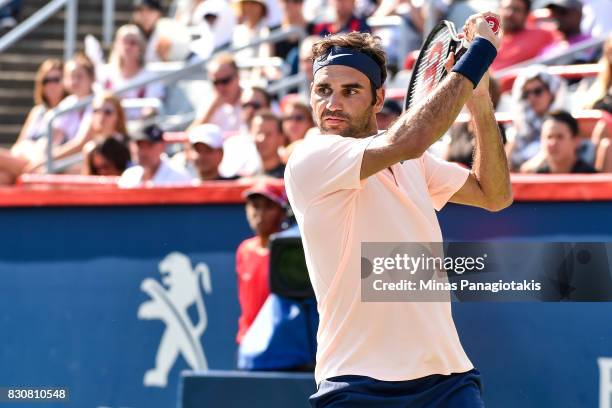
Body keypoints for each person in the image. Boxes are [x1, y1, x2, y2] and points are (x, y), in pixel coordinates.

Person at [285, 17, 511, 406]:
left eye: (350, 90)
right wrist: (479, 55)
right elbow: (409, 140)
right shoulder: (311, 157)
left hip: (447, 380)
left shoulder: (412, 159)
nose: (332, 104)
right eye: (322, 90)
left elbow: (494, 195)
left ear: (377, 98)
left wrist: (479, 103)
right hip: (356, 383)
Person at [235, 178, 287, 343]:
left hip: (281, 344)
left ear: (283, 212)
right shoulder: (244, 250)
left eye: (269, 207)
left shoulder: (290, 251)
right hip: (248, 342)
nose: (260, 214)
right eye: (255, 206)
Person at [0, 59, 66, 184]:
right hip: (25, 159)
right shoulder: (37, 112)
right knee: (3, 176)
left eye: (56, 80)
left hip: (42, 162)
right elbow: (18, 144)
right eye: (46, 81)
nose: (51, 85)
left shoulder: (68, 110)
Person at [505, 65, 570, 170]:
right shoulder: (521, 124)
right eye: (526, 93)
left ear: (552, 92)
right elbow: (505, 166)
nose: (532, 98)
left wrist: (527, 170)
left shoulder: (565, 121)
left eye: (537, 91)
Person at [98, 24, 165, 120]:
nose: (128, 46)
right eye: (124, 42)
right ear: (116, 45)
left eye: (133, 43)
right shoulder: (105, 74)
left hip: (139, 128)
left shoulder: (150, 77)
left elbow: (151, 108)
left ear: (140, 47)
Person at [491, 0, 556, 72]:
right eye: (506, 8)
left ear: (526, 14)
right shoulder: (485, 38)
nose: (509, 14)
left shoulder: (543, 35)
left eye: (517, 10)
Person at [118, 124, 192, 187]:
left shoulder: (179, 177)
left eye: (149, 145)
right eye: (139, 145)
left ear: (162, 146)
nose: (143, 151)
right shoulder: (129, 175)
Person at [189, 53, 243, 133]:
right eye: (215, 82)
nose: (220, 87)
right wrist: (211, 110)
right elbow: (189, 139)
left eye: (225, 81)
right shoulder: (209, 103)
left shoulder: (253, 99)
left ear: (238, 77)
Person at [532, 110, 597, 173]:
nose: (553, 143)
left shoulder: (591, 179)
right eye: (549, 137)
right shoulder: (536, 178)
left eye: (560, 137)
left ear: (576, 140)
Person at [536, 0, 598, 64]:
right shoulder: (547, 50)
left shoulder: (594, 44)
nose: (557, 17)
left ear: (577, 14)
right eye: (553, 13)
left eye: (562, 12)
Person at [251, 110, 286, 178]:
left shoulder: (290, 176)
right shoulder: (249, 179)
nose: (262, 139)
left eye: (268, 134)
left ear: (281, 138)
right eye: (258, 133)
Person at [279, 97, 315, 163]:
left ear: (310, 122)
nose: (293, 122)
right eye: (288, 118)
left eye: (299, 118)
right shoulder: (278, 147)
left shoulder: (315, 134)